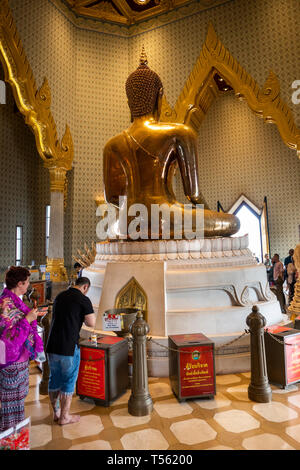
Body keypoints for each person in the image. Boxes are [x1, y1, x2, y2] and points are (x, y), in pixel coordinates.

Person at [103, 51, 239, 240]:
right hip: (165, 217)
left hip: (127, 223)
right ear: (159, 97)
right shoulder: (180, 133)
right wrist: (208, 220)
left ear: (129, 103)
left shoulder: (112, 145)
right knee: (232, 222)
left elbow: (112, 199)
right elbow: (194, 195)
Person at [46, 277, 96, 425]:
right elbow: (91, 322)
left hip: (52, 345)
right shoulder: (83, 299)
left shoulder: (60, 296)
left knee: (54, 378)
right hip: (68, 346)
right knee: (68, 381)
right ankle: (65, 417)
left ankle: (56, 413)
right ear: (85, 287)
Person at [0, 266, 44, 432]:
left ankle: (15, 437)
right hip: (10, 363)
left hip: (20, 361)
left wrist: (32, 317)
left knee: (18, 402)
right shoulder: (5, 304)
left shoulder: (14, 301)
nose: (29, 286)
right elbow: (8, 339)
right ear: (20, 284)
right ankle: (10, 440)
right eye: (27, 282)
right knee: (11, 407)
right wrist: (28, 319)